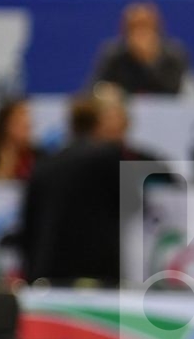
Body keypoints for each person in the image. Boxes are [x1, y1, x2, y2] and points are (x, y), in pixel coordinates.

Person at [18, 88, 141, 284]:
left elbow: (28, 223)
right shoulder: (109, 156)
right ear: (98, 123)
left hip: (49, 270)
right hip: (96, 272)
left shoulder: (44, 164)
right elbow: (133, 203)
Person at [91, 3, 194, 96]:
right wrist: (105, 93)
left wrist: (150, 61)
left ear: (158, 30)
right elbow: (93, 90)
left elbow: (181, 92)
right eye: (134, 27)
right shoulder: (113, 54)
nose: (141, 34)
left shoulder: (174, 54)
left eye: (146, 27)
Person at [0, 97, 40, 182]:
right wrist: (8, 156)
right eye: (18, 120)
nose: (27, 123)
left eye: (27, 117)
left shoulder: (40, 158)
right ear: (4, 125)